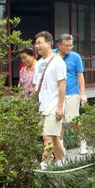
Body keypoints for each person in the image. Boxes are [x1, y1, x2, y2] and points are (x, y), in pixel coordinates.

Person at [32, 31, 66, 170]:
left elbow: (62, 86)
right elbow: (36, 86)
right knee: (54, 136)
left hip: (54, 105)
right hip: (42, 106)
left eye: (39, 43)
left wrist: (60, 107)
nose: (37, 46)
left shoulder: (58, 62)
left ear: (49, 43)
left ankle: (44, 165)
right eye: (36, 43)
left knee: (47, 137)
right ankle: (60, 162)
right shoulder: (38, 63)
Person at [56, 34, 89, 155]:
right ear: (59, 45)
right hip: (56, 94)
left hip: (72, 93)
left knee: (74, 120)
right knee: (58, 121)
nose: (70, 48)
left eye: (71, 45)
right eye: (67, 45)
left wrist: (83, 93)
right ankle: (61, 148)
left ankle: (83, 142)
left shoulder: (75, 57)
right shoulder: (52, 55)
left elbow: (80, 76)